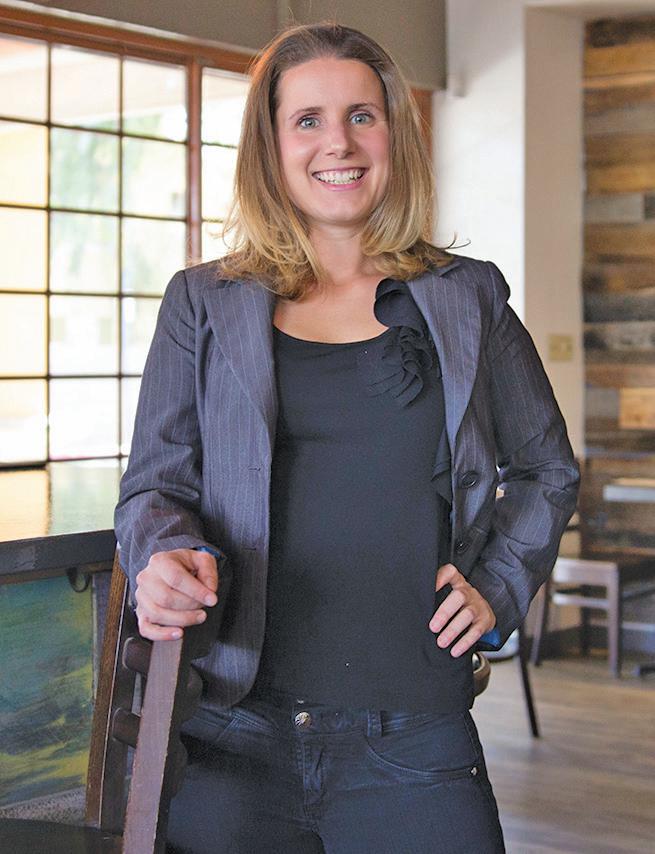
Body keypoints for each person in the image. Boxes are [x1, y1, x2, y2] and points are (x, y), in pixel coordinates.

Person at [113, 20, 580, 854]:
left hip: (416, 735)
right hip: (229, 730)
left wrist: (498, 586)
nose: (339, 142)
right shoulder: (201, 303)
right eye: (308, 120)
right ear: (270, 146)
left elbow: (545, 467)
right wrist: (161, 555)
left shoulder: (467, 296)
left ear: (394, 133)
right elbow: (155, 485)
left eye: (362, 115)